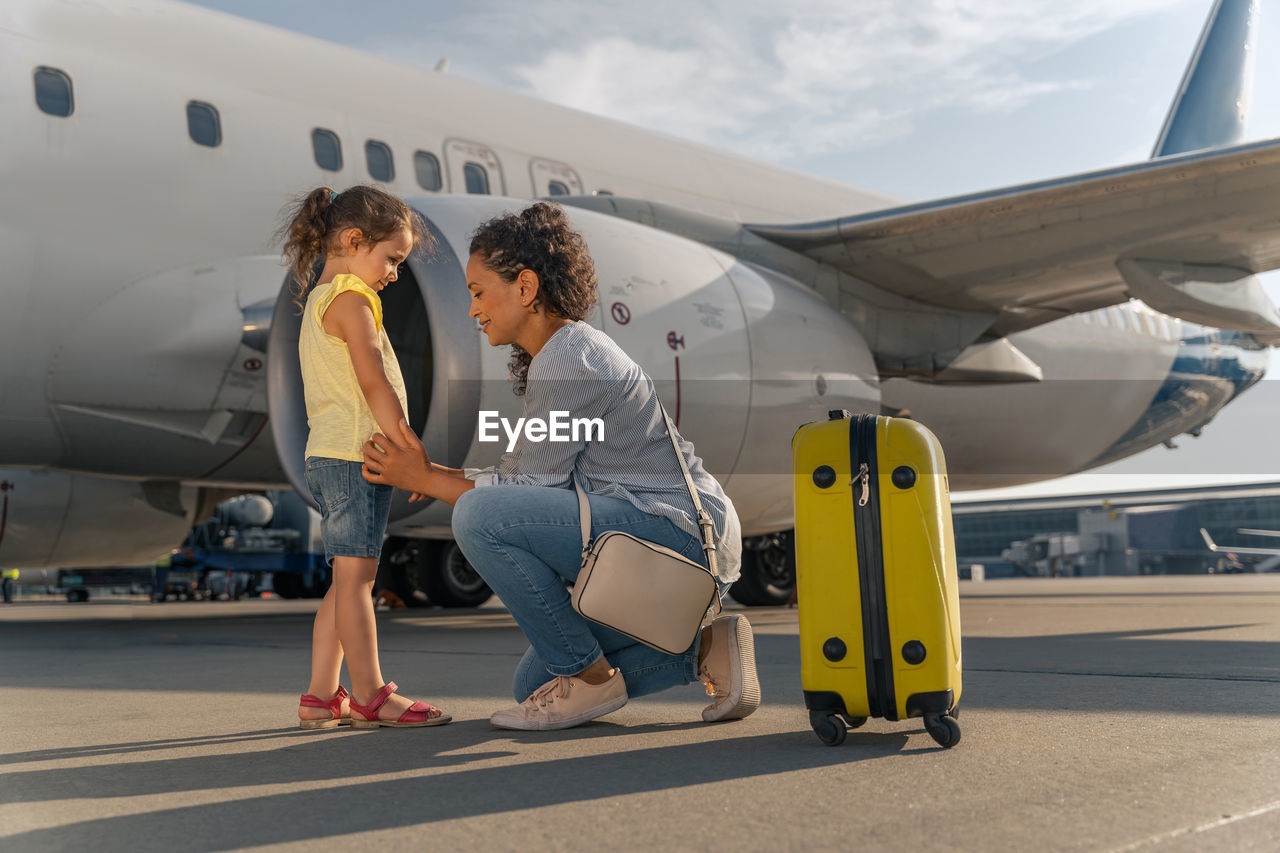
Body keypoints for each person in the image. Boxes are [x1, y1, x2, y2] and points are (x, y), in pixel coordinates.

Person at [361, 202, 760, 731]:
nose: (473, 310)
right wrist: (432, 472)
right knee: (533, 686)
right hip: (661, 541)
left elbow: (517, 492)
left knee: (478, 520)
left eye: (479, 292)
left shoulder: (572, 357)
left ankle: (591, 680)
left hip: (678, 534)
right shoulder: (564, 354)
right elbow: (521, 478)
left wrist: (428, 481)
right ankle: (706, 649)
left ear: (525, 288)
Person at [278, 185, 449, 730]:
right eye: (392, 258)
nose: (394, 273)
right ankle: (373, 693)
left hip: (329, 456)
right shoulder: (354, 301)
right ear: (354, 241)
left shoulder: (321, 301)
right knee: (357, 581)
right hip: (356, 458)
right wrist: (407, 440)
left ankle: (322, 695)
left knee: (343, 580)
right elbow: (372, 379)